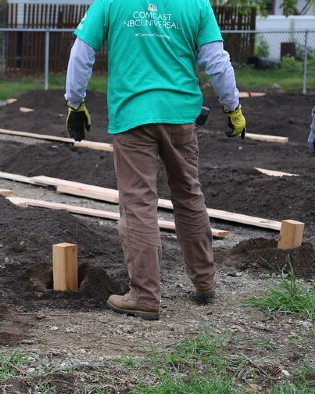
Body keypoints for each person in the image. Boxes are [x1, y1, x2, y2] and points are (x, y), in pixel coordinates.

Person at [64, 0, 246, 320]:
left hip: (132, 117)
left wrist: (75, 102)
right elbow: (217, 61)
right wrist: (232, 107)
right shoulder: (196, 4)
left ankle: (145, 296)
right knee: (189, 195)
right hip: (180, 117)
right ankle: (204, 282)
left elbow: (81, 53)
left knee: (138, 203)